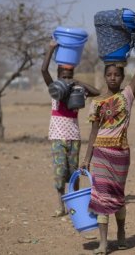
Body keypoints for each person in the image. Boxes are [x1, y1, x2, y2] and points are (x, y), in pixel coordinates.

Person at [80, 29, 135, 255]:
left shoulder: (127, 95)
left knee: (117, 196)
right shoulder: (97, 103)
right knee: (100, 196)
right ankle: (103, 243)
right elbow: (93, 132)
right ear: (105, 77)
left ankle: (121, 232)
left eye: (117, 75)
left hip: (120, 154)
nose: (113, 78)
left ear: (122, 77)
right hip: (100, 153)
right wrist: (86, 159)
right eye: (109, 75)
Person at [41, 40, 100, 217]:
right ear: (58, 77)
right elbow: (43, 71)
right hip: (57, 137)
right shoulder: (55, 90)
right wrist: (51, 49)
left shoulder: (77, 91)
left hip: (74, 137)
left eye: (69, 75)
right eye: (64, 76)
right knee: (60, 173)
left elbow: (96, 92)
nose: (67, 79)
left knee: (74, 173)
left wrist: (77, 82)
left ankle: (73, 205)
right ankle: (61, 206)